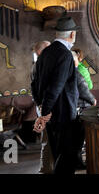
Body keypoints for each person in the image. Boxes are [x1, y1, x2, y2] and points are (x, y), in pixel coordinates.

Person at [32, 16, 80, 174]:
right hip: (63, 115)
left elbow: (35, 84)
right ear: (72, 34)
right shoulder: (65, 55)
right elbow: (55, 87)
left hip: (50, 114)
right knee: (67, 157)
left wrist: (42, 109)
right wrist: (44, 113)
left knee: (59, 154)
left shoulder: (45, 54)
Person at [71, 51, 96, 169]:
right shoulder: (76, 72)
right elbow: (85, 89)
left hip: (70, 108)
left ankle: (75, 161)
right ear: (76, 60)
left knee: (72, 139)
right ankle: (78, 163)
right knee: (79, 138)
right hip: (79, 107)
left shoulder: (60, 72)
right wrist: (93, 100)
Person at [30, 40, 52, 174]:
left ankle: (47, 167)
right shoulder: (40, 66)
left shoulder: (37, 65)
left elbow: (33, 89)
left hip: (42, 105)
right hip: (45, 106)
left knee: (47, 137)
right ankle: (46, 168)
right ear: (42, 51)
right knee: (47, 138)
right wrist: (43, 108)